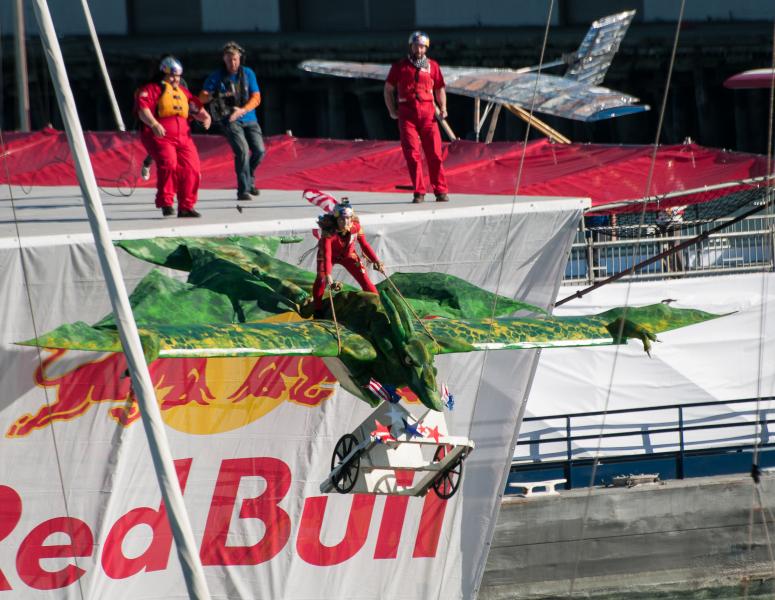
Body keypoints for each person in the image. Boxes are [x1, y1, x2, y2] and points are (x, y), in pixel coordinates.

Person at [135, 56, 211, 217]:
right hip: (161, 134)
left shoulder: (183, 92)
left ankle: (186, 206)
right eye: (171, 76)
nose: (175, 79)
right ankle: (166, 202)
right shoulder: (151, 89)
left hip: (184, 136)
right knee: (169, 164)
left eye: (177, 76)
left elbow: (196, 108)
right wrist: (154, 124)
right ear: (163, 74)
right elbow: (143, 110)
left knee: (192, 168)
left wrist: (207, 117)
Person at [384, 31, 449, 204]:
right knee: (412, 154)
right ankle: (419, 191)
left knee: (435, 153)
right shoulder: (400, 67)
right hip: (407, 114)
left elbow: (440, 88)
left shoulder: (433, 66)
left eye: (422, 46)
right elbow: (388, 89)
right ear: (410, 46)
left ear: (426, 48)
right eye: (416, 46)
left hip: (428, 114)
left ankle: (440, 190)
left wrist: (443, 107)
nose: (419, 50)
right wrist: (392, 110)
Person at [199, 41, 266, 201]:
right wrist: (213, 95)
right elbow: (202, 97)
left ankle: (249, 180)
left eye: (235, 59)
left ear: (240, 58)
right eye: (229, 59)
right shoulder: (217, 76)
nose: (232, 63)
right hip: (229, 120)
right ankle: (243, 190)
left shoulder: (248, 73)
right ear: (224, 59)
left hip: (248, 117)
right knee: (242, 151)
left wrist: (242, 110)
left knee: (259, 151)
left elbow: (256, 97)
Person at [312, 201, 384, 318]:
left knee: (364, 279)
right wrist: (328, 275)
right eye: (342, 219)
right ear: (336, 220)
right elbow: (327, 254)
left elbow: (364, 245)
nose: (346, 222)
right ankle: (318, 309)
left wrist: (376, 260)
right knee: (321, 279)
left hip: (348, 255)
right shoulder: (328, 233)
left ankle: (378, 306)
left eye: (348, 218)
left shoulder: (356, 227)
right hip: (328, 256)